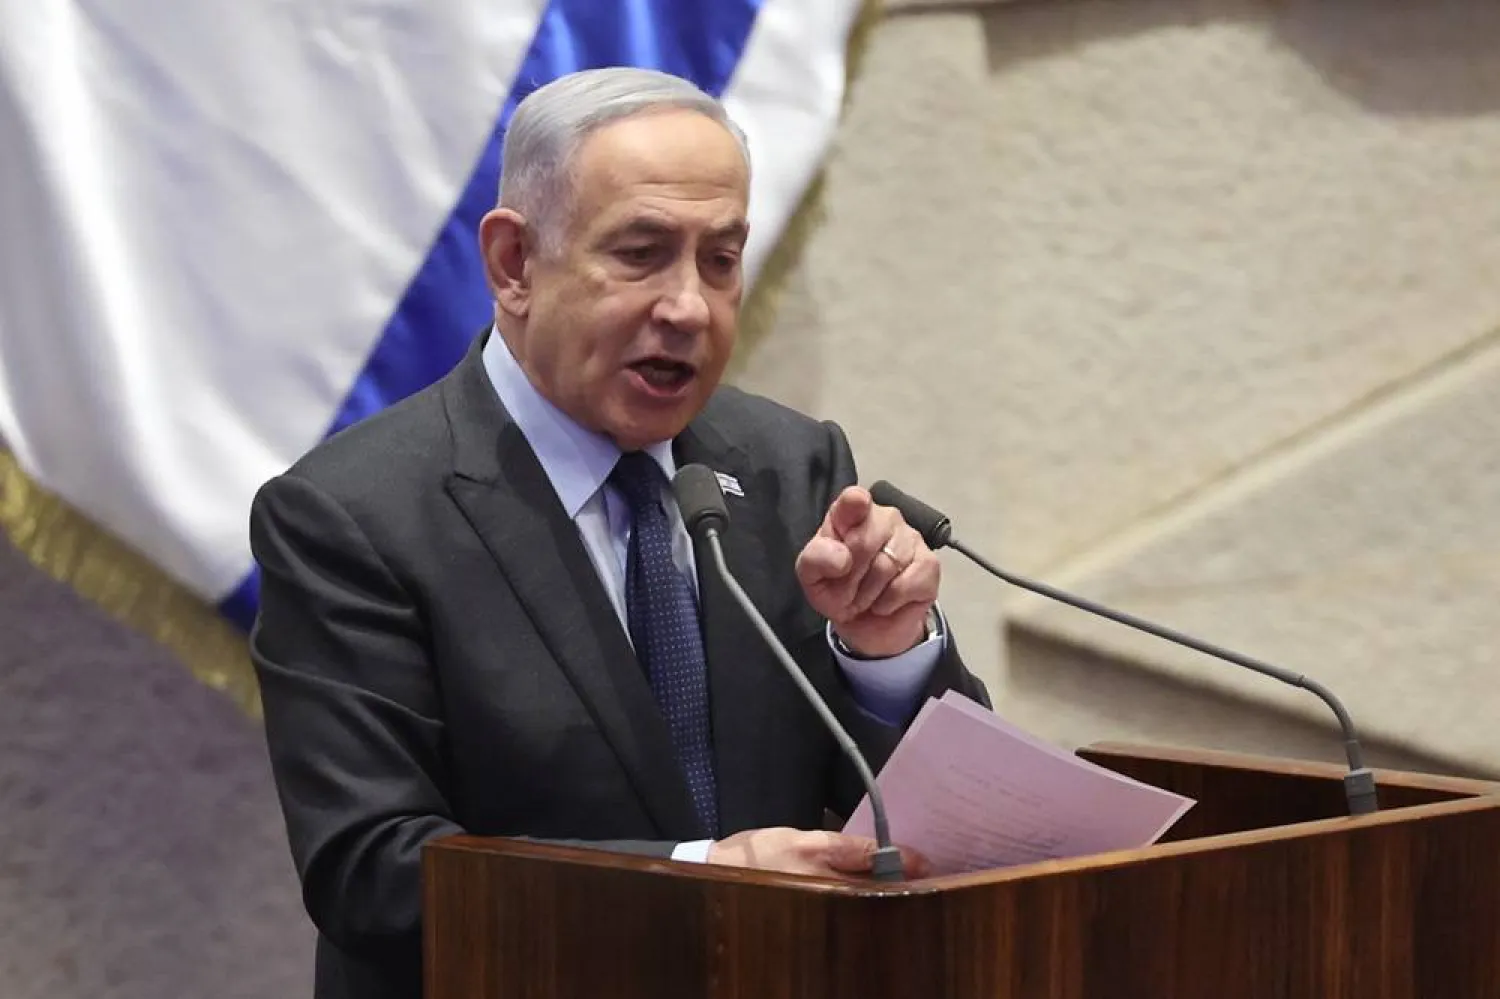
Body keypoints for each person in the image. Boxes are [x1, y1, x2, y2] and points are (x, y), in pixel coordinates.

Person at [249, 66, 989, 999]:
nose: (689, 306)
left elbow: (939, 822)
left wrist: (887, 654)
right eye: (642, 253)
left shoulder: (788, 466)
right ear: (515, 264)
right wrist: (700, 879)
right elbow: (374, 871)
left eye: (720, 259)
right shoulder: (353, 515)